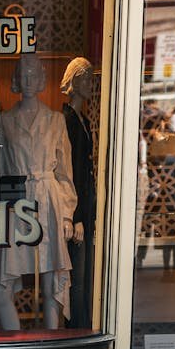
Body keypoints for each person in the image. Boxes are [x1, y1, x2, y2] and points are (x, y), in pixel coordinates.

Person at [0, 54, 78, 330]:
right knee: (0, 286)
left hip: (49, 199)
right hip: (16, 201)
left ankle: (52, 341)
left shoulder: (55, 121)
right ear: (17, 79)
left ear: (41, 79)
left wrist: (66, 215)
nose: (28, 81)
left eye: (33, 75)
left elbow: (64, 173)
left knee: (52, 280)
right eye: (23, 75)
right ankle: (16, 342)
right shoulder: (4, 122)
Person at [61, 57, 96, 329]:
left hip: (87, 208)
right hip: (77, 213)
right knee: (77, 276)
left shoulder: (83, 119)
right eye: (86, 79)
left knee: (85, 277)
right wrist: (76, 216)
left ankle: (83, 325)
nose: (91, 84)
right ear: (74, 82)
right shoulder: (67, 121)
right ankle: (76, 330)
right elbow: (71, 172)